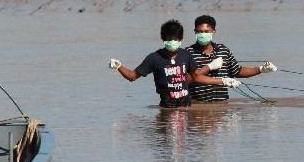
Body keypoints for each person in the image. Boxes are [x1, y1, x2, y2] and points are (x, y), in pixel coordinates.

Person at [109, 19, 237, 108]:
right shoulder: (154, 58)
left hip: (186, 107)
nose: (172, 42)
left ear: (180, 40)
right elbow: (132, 76)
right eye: (169, 40)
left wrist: (224, 81)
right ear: (163, 40)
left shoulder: (186, 55)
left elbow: (197, 76)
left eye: (175, 39)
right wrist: (119, 66)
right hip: (167, 108)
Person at [186, 14, 277, 102]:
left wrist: (261, 69)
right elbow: (186, 79)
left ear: (214, 32)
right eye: (200, 32)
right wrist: (209, 67)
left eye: (206, 32)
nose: (203, 34)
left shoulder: (223, 50)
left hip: (222, 104)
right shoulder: (188, 52)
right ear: (195, 32)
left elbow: (237, 71)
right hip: (198, 105)